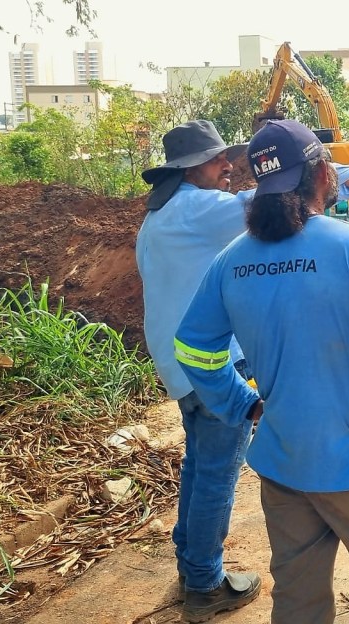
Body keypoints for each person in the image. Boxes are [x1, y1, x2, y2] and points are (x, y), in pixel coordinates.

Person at [173, 119, 349, 624]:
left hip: (283, 465)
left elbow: (193, 349)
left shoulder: (232, 260)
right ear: (320, 174)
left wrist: (242, 404)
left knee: (298, 600)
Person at [135, 119, 262, 623]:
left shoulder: (158, 217)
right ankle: (206, 585)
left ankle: (191, 566)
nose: (227, 166)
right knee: (217, 473)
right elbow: (269, 200)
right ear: (191, 169)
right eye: (217, 160)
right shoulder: (198, 208)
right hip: (211, 365)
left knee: (198, 466)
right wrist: (343, 170)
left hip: (180, 366)